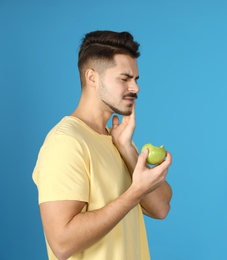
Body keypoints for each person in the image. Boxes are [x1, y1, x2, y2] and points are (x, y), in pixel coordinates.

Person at [32, 30, 173, 260]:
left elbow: (161, 208)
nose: (135, 88)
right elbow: (61, 243)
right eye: (125, 79)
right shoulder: (66, 142)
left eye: (136, 79)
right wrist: (134, 193)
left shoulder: (116, 139)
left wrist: (127, 149)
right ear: (92, 78)